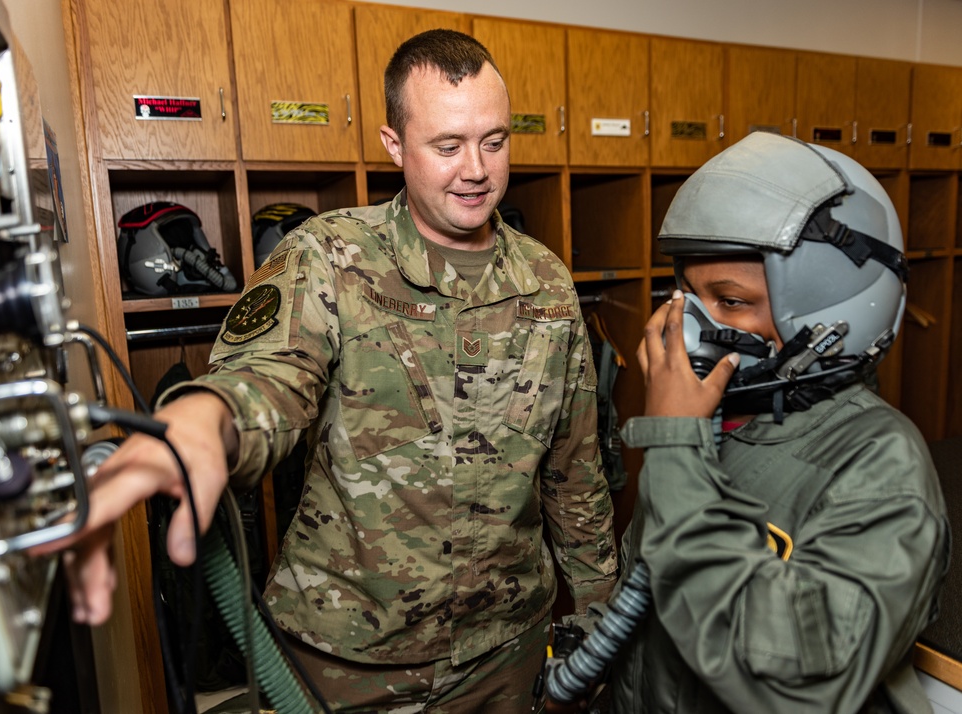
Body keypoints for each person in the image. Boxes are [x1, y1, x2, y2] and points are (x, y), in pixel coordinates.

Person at [53, 29, 618, 713]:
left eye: (493, 142)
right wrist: (209, 417)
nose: (476, 169)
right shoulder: (329, 257)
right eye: (447, 146)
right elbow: (269, 375)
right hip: (348, 657)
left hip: (505, 650)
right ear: (393, 144)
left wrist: (597, 628)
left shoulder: (547, 284)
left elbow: (575, 475)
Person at [603, 131, 949, 712]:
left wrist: (672, 448)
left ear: (826, 319)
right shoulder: (712, 425)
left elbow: (794, 680)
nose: (687, 326)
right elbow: (649, 590)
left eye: (731, 301)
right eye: (689, 295)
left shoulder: (882, 468)